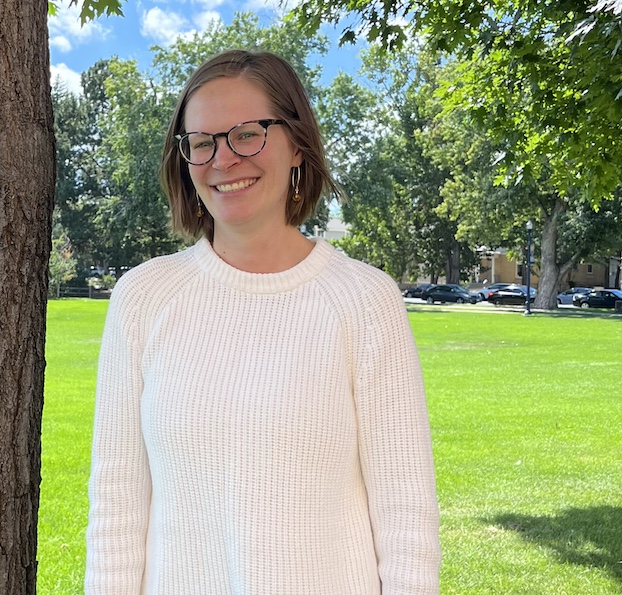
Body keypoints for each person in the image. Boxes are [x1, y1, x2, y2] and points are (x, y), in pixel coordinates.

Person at [85, 49, 440, 594]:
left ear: (297, 144)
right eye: (201, 143)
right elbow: (117, 504)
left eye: (248, 133)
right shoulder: (144, 298)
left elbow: (405, 511)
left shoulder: (365, 300)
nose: (223, 159)